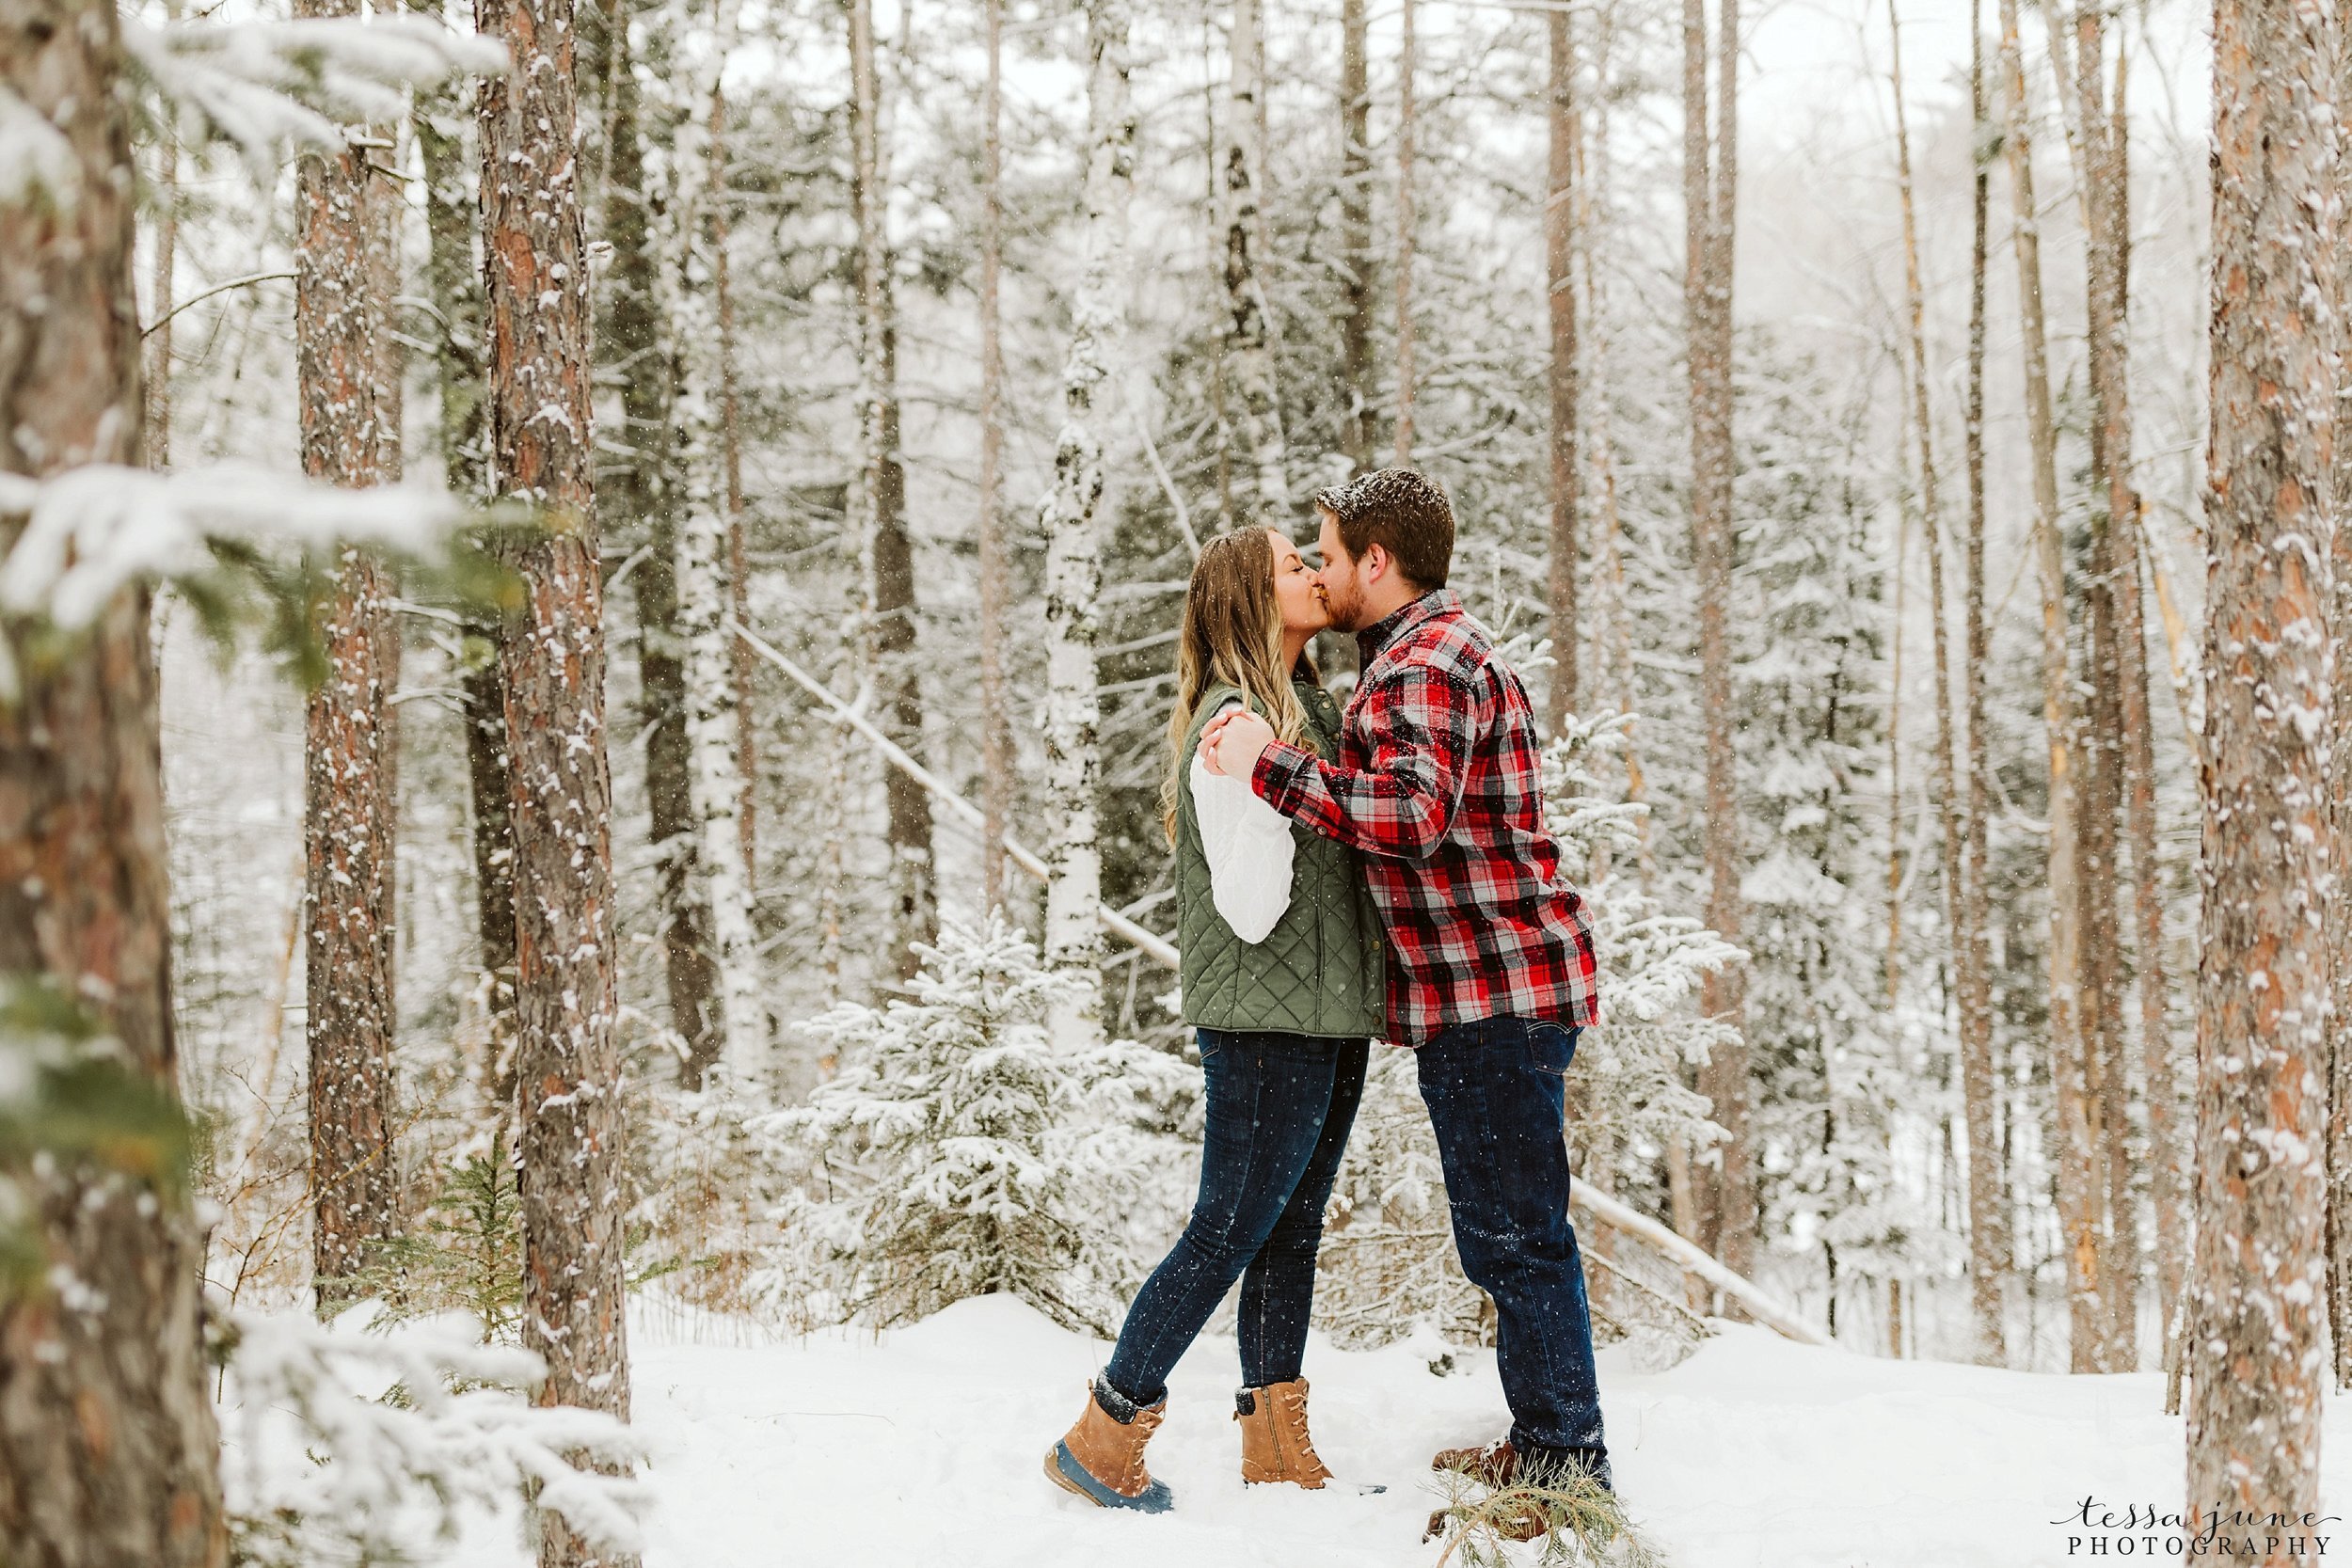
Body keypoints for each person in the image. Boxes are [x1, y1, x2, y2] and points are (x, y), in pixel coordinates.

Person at [1200, 467, 1612, 1532]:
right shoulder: (1431, 653)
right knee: (1512, 1235)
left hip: (1492, 999)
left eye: (1328, 554)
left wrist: (1270, 765)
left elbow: (1411, 816)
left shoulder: (1420, 664)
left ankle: (1568, 1469)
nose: (1320, 573)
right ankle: (1548, 1440)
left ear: (1375, 561)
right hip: (1490, 995)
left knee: (1518, 1240)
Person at [1044, 526, 1388, 1513]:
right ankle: (1105, 1429)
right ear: (1248, 595)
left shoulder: (1308, 707)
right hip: (1264, 1018)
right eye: (1294, 565)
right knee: (1227, 1225)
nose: (1316, 574)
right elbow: (1246, 901)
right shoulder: (1232, 723)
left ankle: (1276, 1444)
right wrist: (1270, 777)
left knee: (1291, 1227)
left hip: (1324, 1012)